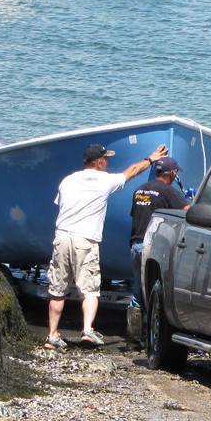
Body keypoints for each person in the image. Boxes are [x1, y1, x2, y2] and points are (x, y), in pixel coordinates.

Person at [44, 142, 166, 350]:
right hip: (86, 239)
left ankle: (52, 335)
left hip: (62, 237)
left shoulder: (68, 180)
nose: (108, 162)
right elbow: (132, 171)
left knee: (57, 290)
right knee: (90, 290)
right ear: (99, 163)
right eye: (106, 159)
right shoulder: (104, 180)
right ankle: (88, 331)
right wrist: (150, 159)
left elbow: (61, 204)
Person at [126, 155, 190, 348]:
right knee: (157, 292)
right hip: (152, 247)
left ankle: (133, 338)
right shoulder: (169, 192)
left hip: (135, 244)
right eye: (175, 172)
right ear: (170, 173)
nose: (175, 175)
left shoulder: (139, 190)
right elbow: (189, 212)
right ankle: (153, 337)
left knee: (138, 290)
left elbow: (135, 215)